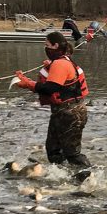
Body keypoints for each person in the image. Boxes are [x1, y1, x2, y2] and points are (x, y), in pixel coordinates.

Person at [14, 31, 91, 174]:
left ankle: (90, 176)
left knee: (72, 153)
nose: (45, 48)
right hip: (62, 112)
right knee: (53, 150)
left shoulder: (60, 63)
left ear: (55, 46)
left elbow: (51, 88)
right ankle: (64, 177)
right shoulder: (61, 62)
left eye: (47, 45)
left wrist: (27, 84)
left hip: (70, 114)